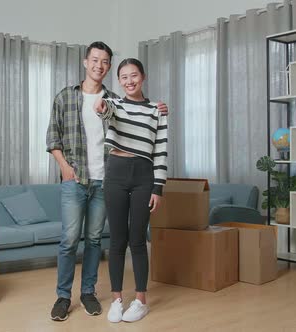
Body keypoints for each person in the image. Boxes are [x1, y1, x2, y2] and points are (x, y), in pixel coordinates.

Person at [46, 42, 168, 321]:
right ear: (85, 62)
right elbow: (53, 136)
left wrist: (158, 109)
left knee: (93, 240)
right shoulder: (66, 97)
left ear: (109, 67)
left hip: (106, 178)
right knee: (68, 240)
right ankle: (63, 297)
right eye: (95, 60)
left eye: (105, 62)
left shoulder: (116, 99)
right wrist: (64, 166)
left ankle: (88, 292)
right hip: (75, 178)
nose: (99, 65)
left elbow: (127, 115)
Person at [94, 58, 167, 323]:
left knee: (137, 240)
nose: (129, 81)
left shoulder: (157, 110)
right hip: (115, 172)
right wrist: (101, 106)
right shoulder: (115, 104)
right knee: (116, 240)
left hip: (143, 176)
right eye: (123, 77)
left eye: (133, 75)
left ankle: (140, 301)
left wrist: (158, 187)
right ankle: (116, 300)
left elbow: (160, 150)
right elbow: (104, 111)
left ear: (143, 77)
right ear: (119, 81)